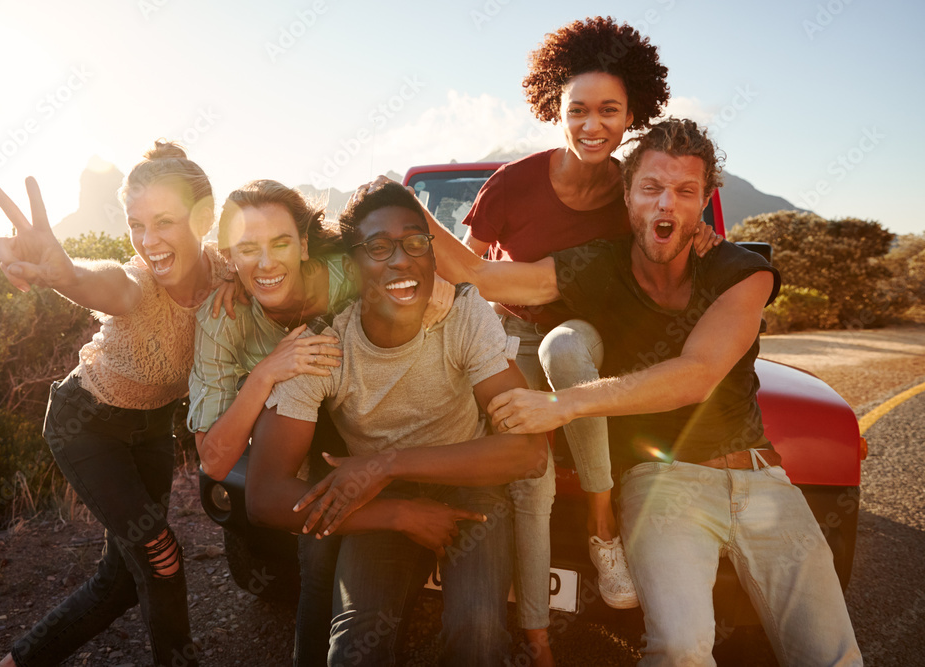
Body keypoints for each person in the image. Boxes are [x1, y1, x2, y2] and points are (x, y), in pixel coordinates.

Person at [420, 117, 863, 665]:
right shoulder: (597, 265)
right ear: (627, 195)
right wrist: (400, 203)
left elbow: (697, 374)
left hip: (761, 477)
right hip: (662, 483)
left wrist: (561, 405)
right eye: (651, 188)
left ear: (703, 202)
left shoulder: (740, 271)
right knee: (679, 650)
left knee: (834, 656)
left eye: (684, 191)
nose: (666, 204)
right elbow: (481, 275)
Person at [455, 17, 717, 659]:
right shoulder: (513, 182)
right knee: (532, 477)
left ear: (632, 114)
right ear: (556, 109)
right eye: (578, 109)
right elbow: (463, 270)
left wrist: (700, 234)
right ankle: (537, 636)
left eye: (609, 110)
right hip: (506, 333)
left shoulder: (638, 186)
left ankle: (603, 526)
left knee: (563, 349)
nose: (592, 124)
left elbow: (672, 232)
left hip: (585, 336)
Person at [245, 182, 547, 666]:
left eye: (414, 242)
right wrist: (399, 512)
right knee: (354, 645)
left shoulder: (463, 313)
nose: (402, 260)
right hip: (380, 499)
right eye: (379, 247)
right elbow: (264, 496)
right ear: (353, 264)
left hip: (469, 483)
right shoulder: (325, 345)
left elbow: (529, 451)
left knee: (477, 632)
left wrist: (386, 464)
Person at [186, 179, 454, 666]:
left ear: (304, 244)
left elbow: (428, 274)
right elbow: (215, 460)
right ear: (229, 255)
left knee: (367, 565)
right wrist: (266, 373)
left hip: (379, 415)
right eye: (247, 249)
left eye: (280, 244)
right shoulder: (222, 318)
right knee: (316, 555)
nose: (266, 263)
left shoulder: (345, 274)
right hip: (301, 431)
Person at [0, 141, 227, 667]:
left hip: (152, 430)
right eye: (136, 225)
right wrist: (66, 275)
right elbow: (105, 282)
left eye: (164, 222)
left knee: (119, 583)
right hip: (86, 424)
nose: (148, 241)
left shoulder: (227, 273)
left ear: (204, 218)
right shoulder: (139, 285)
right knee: (161, 558)